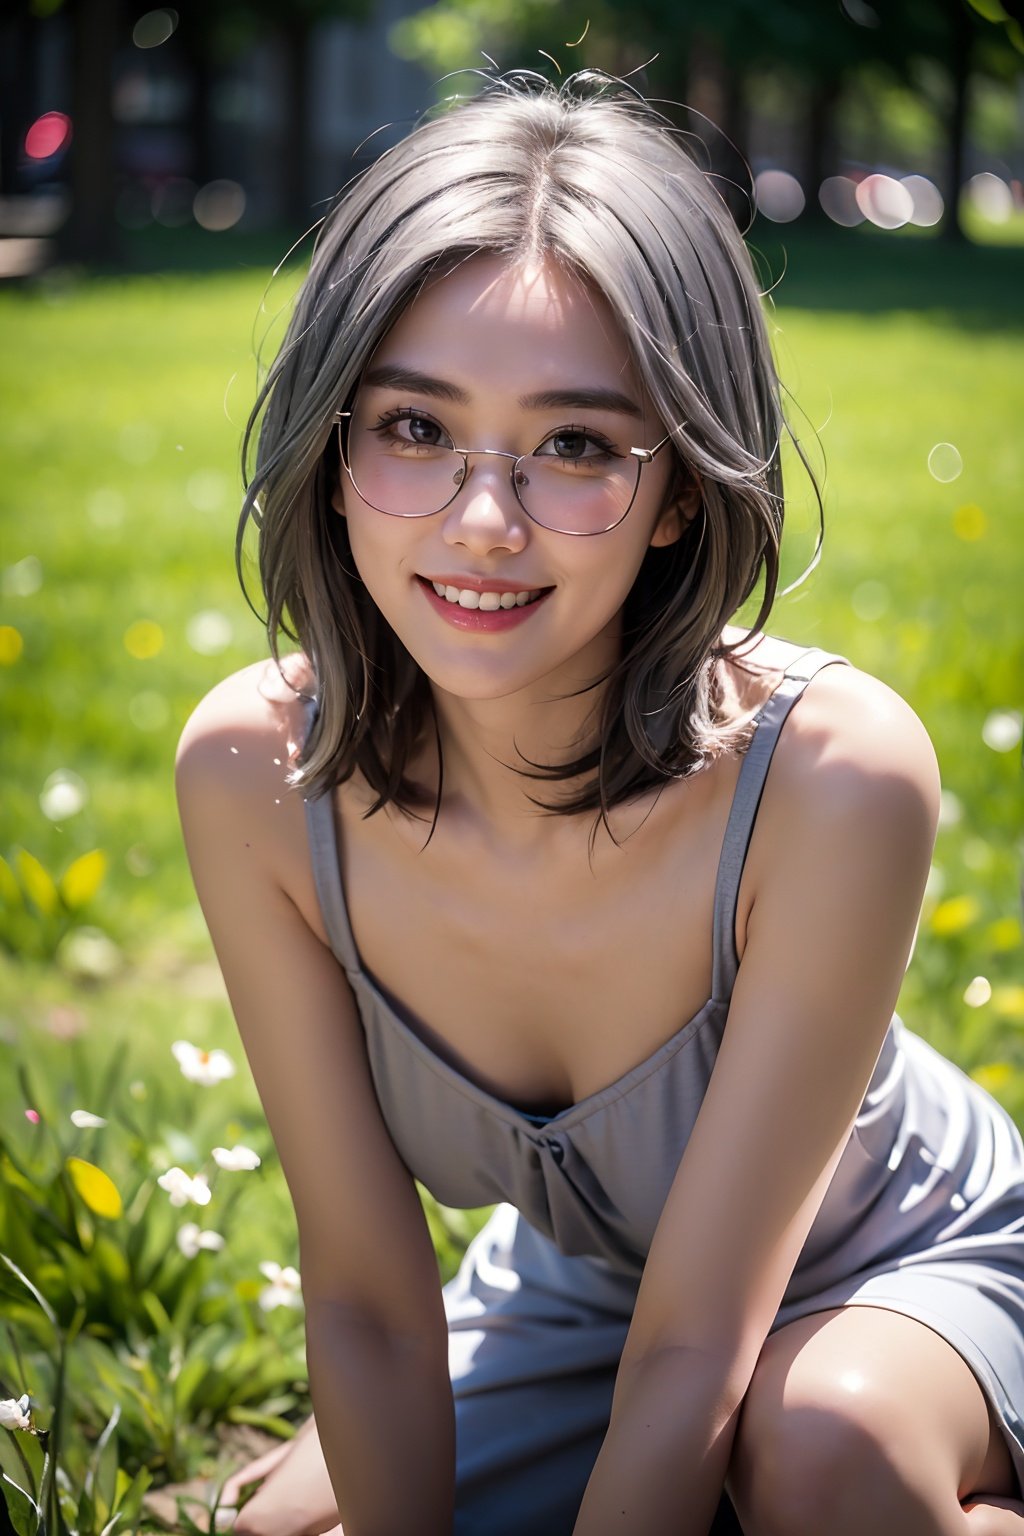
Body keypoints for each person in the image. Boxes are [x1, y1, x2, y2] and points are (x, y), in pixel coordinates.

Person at [175, 68, 1024, 1536]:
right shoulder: (259, 773)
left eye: (574, 445)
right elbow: (372, 1305)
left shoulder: (832, 775)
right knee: (291, 1529)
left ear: (684, 486)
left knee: (819, 1459)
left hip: (906, 1260)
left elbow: (701, 1354)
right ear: (332, 451)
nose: (482, 521)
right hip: (597, 1286)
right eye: (415, 430)